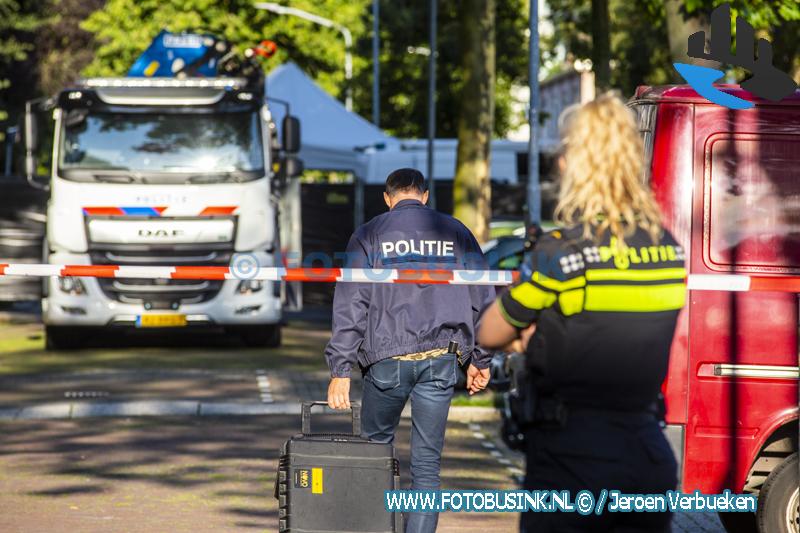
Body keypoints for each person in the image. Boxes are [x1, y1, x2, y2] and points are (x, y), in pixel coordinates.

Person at [478, 93, 686, 533]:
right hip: (648, 456)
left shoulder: (562, 253)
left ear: (573, 163)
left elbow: (491, 331)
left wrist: (531, 337)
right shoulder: (668, 249)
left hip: (571, 463)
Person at [325, 168, 494, 533]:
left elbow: (351, 305)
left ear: (388, 198)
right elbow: (483, 297)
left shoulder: (369, 234)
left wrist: (340, 370)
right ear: (426, 195)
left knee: (376, 457)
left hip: (387, 359)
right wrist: (481, 360)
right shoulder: (456, 232)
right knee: (427, 466)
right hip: (440, 359)